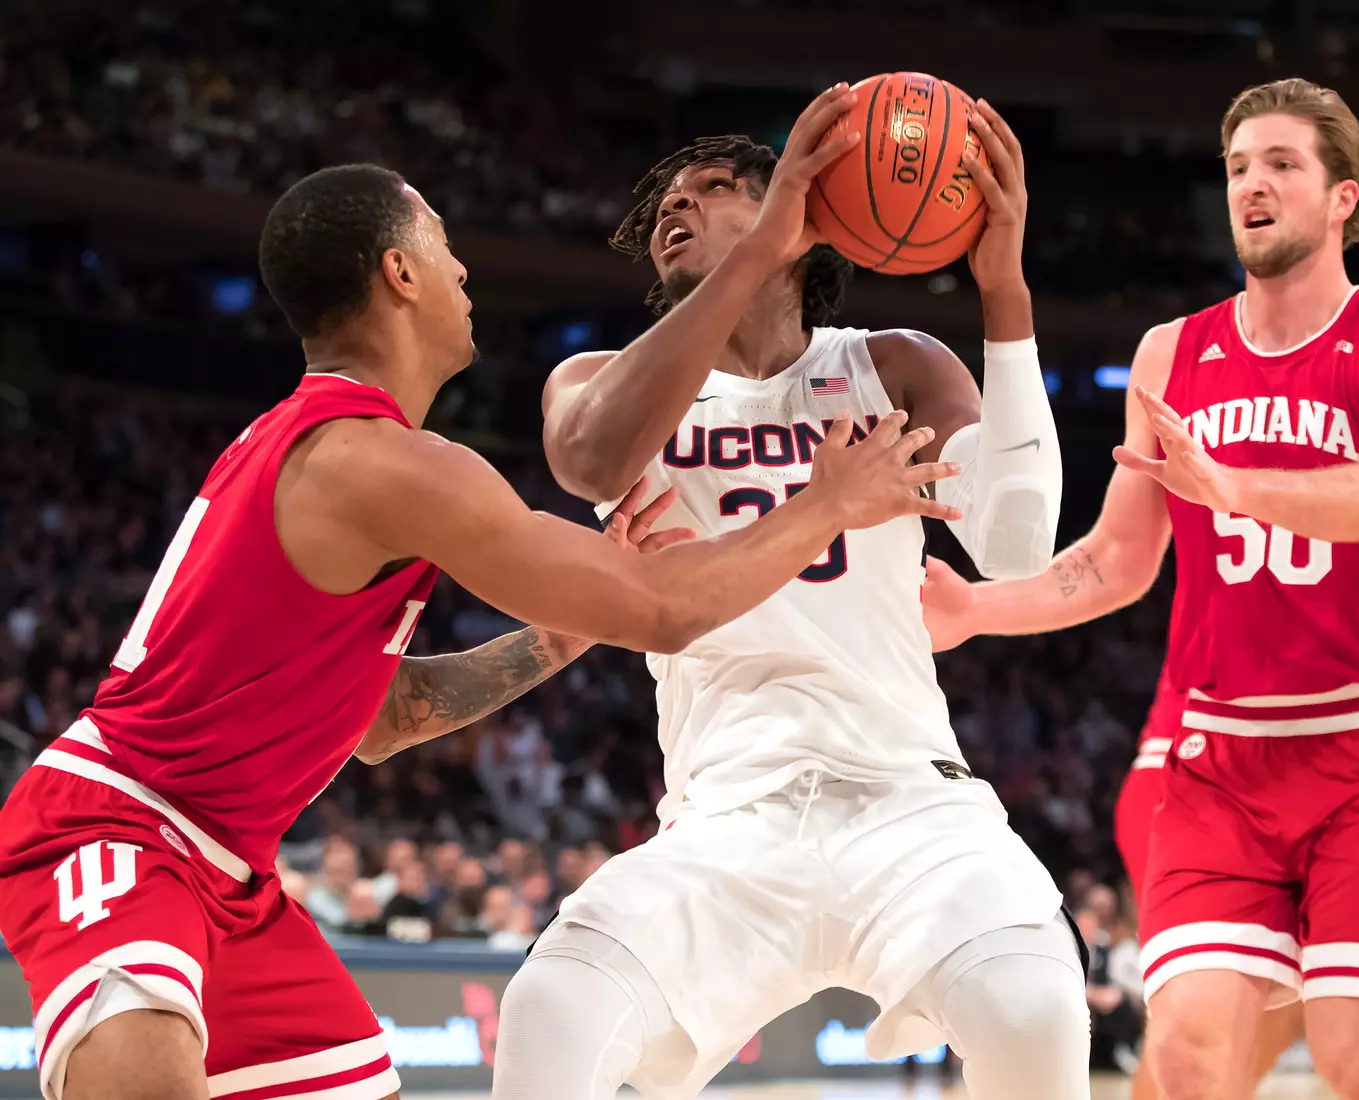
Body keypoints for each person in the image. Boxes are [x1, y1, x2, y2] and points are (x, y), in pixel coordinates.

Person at [0, 163, 951, 1100]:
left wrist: (558, 637)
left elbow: (384, 718)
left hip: (231, 871)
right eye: (445, 250)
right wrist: (826, 502)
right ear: (400, 275)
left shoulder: (329, 446)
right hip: (117, 821)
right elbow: (667, 609)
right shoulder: (378, 461)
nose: (464, 274)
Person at [500, 85, 1081, 1100]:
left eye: (717, 186)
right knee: (552, 1012)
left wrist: (1006, 291)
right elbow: (592, 461)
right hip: (726, 814)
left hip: (909, 803)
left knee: (1034, 1011)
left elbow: (1018, 545)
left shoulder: (893, 365)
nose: (679, 204)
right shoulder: (597, 378)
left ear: (812, 214)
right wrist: (756, 245)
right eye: (670, 199)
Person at [916, 75, 1359, 1100]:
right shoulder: (1170, 354)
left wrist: (1233, 484)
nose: (1251, 185)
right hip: (1218, 753)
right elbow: (1119, 559)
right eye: (1236, 169)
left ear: (1342, 195)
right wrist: (973, 609)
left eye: (1280, 165)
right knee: (1183, 1057)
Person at [925, 578, 1359, 1099]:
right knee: (1216, 1032)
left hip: (1223, 774)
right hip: (1198, 779)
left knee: (1284, 1035)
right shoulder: (1274, 576)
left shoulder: (1266, 560)